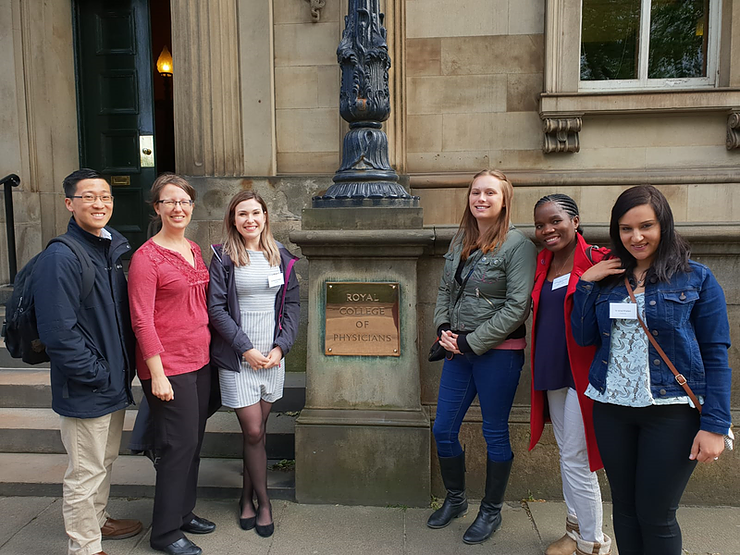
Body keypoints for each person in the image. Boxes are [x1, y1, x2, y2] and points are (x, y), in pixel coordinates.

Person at [571, 185, 733, 555]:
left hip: (672, 413)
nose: (636, 237)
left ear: (665, 226)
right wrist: (585, 284)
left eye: (646, 226)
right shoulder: (609, 278)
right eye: (626, 229)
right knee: (625, 511)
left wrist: (715, 425)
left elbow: (715, 355)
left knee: (656, 515)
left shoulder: (697, 278)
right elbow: (583, 337)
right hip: (612, 409)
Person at [34, 168, 142, 555]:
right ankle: (84, 546)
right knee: (85, 469)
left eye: (106, 197)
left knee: (104, 458)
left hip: (111, 378)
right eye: (89, 197)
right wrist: (95, 374)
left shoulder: (109, 249)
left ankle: (98, 520)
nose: (100, 204)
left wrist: (115, 373)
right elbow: (57, 332)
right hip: (88, 383)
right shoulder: (61, 256)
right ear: (69, 203)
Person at [427, 169, 537, 544]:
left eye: (490, 193)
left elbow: (518, 306)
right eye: (476, 192)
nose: (481, 198)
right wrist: (443, 328)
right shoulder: (461, 240)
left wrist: (473, 342)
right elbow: (445, 289)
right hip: (458, 352)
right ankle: (456, 499)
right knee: (443, 429)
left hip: (498, 355)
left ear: (504, 200)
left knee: (494, 433)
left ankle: (491, 511)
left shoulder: (519, 245)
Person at [129, 174, 214, 555]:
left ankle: (183, 513)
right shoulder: (146, 258)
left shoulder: (194, 249)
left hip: (200, 361)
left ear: (192, 207)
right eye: (170, 202)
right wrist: (157, 373)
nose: (178, 208)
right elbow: (142, 320)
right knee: (176, 445)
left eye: (184, 202)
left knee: (192, 443)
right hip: (168, 366)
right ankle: (164, 533)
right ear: (157, 208)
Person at [208, 191, 300, 538]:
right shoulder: (222, 257)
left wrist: (281, 348)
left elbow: (292, 307)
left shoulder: (282, 258)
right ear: (233, 219)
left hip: (272, 358)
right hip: (238, 357)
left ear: (265, 217)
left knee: (255, 436)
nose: (249, 220)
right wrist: (245, 349)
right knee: (254, 431)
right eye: (241, 214)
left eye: (255, 213)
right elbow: (216, 310)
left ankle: (245, 498)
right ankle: (265, 503)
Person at [529, 195, 611, 555]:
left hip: (583, 373)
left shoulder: (600, 259)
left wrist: (589, 279)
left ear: (575, 221)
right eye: (540, 224)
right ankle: (574, 529)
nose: (548, 230)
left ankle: (593, 543)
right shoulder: (541, 262)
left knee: (578, 457)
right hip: (551, 369)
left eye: (556, 221)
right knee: (567, 453)